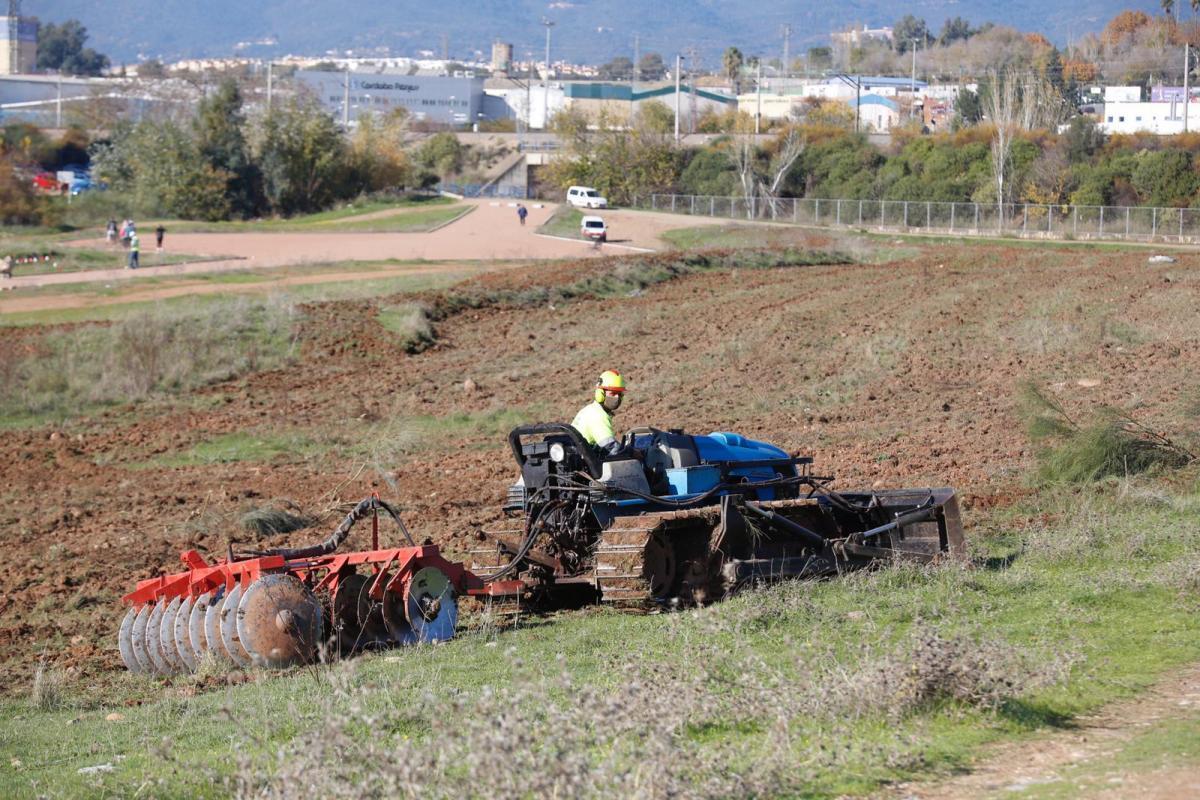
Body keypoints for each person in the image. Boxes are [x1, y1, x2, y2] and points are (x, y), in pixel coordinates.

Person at [570, 370, 628, 457]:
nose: (617, 397)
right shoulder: (598, 415)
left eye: (620, 394)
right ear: (600, 394)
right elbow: (611, 447)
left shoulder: (589, 410)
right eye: (613, 393)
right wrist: (631, 452)